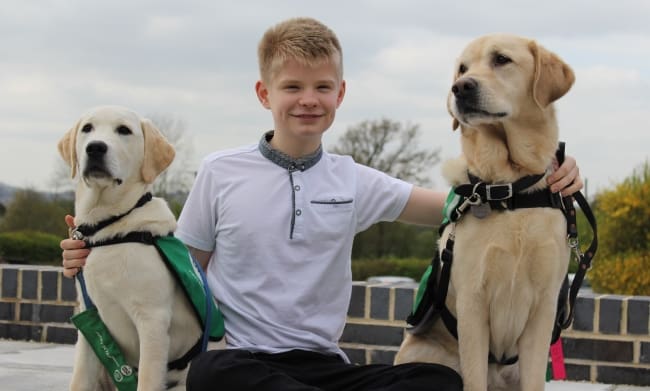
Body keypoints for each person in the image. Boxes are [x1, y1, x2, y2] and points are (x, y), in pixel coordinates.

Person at [61, 17, 583, 391]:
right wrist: (93, 253)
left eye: (322, 87)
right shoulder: (221, 171)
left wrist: (551, 179)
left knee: (435, 380)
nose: (307, 99)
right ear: (265, 94)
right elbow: (179, 271)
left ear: (340, 94)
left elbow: (464, 204)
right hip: (242, 362)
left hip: (326, 365)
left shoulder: (353, 178)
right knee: (214, 374)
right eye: (293, 87)